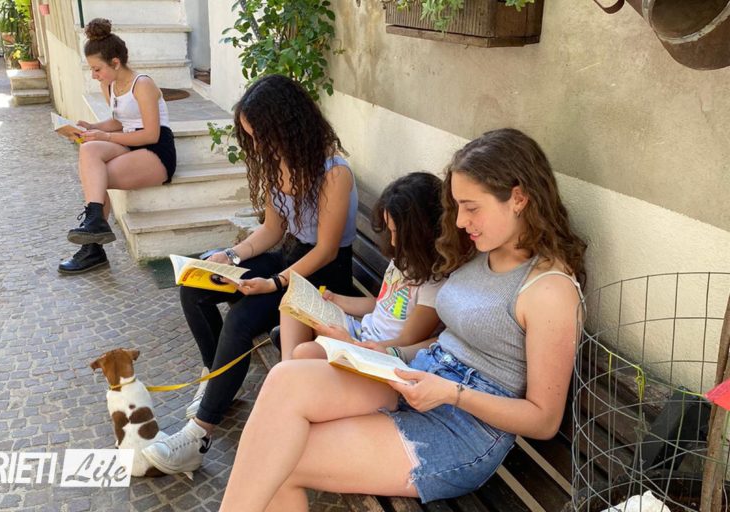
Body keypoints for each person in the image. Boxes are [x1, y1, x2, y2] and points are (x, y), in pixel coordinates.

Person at [215, 128, 587, 511]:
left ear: (519, 198)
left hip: (461, 428)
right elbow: (455, 339)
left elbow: (544, 420)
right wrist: (383, 352)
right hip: (418, 377)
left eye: (471, 207)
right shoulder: (482, 254)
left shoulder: (549, 290)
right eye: (457, 206)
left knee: (279, 461)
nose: (461, 221)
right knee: (284, 384)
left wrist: (452, 393)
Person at [141, 74, 358, 474]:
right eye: (251, 137)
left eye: (260, 136)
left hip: (322, 277)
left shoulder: (334, 172)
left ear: (288, 126)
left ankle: (198, 434)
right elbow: (273, 230)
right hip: (289, 258)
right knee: (196, 287)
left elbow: (326, 250)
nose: (257, 146)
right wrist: (229, 255)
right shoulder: (280, 164)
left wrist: (274, 283)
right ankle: (216, 380)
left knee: (241, 319)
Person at [282, 172, 445, 361]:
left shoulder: (435, 283)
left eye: (398, 233)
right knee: (292, 305)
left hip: (378, 352)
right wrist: (335, 299)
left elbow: (406, 341)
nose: (393, 242)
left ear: (424, 231)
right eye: (390, 231)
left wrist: (352, 343)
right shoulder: (404, 260)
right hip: (362, 331)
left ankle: (290, 366)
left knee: (304, 352)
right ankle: (287, 366)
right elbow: (380, 304)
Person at [58, 18, 176, 274]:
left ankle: (93, 247)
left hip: (156, 150)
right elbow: (119, 121)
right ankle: (95, 225)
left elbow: (151, 134)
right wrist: (90, 127)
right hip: (128, 140)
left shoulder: (142, 84)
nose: (94, 75)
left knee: (95, 179)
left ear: (115, 62)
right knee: (88, 149)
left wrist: (105, 136)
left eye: (97, 69)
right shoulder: (109, 85)